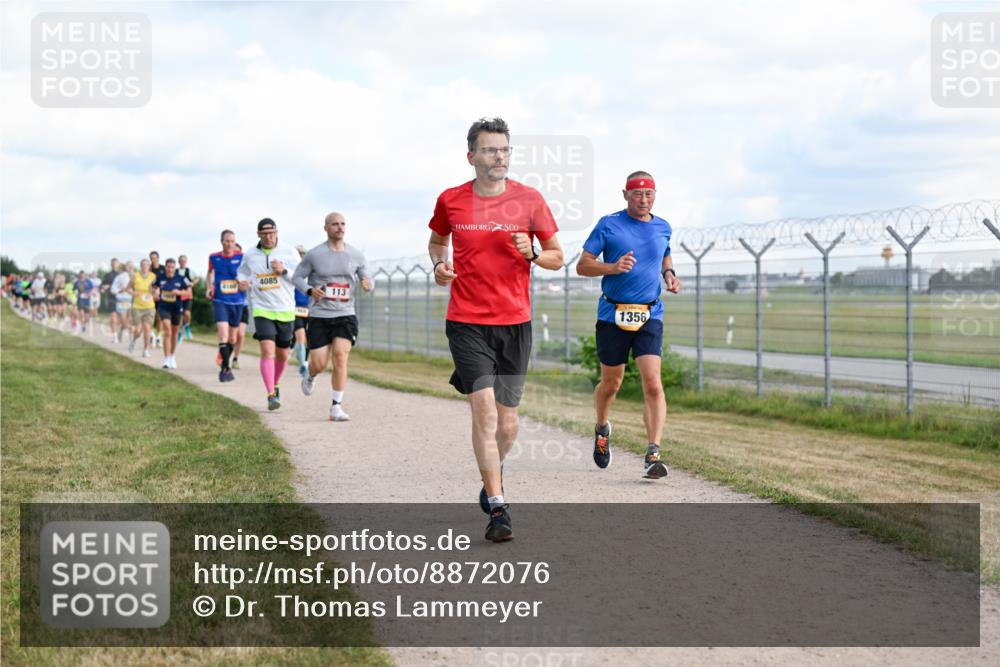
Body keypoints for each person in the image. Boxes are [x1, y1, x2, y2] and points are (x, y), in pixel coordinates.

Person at [427, 117, 563, 542]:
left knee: (507, 424)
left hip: (515, 322)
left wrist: (534, 253)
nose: (498, 156)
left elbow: (559, 256)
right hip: (466, 320)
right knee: (483, 410)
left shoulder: (529, 199)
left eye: (503, 149)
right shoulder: (451, 200)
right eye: (489, 150)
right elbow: (436, 241)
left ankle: (492, 475)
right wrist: (439, 265)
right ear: (472, 156)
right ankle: (499, 508)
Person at [575, 171, 681, 479]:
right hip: (613, 314)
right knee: (612, 385)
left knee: (653, 382)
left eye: (649, 194)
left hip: (650, 314)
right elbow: (583, 265)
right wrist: (612, 267)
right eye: (637, 194)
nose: (643, 199)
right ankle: (602, 428)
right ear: (625, 194)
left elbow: (665, 254)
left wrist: (669, 275)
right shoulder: (609, 224)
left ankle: (653, 452)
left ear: (655, 195)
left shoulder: (663, 226)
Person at [294, 213, 373, 421]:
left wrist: (367, 284)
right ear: (326, 228)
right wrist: (310, 291)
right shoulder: (314, 255)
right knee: (319, 363)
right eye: (335, 224)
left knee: (340, 355)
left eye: (343, 224)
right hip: (320, 315)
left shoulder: (356, 254)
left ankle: (336, 407)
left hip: (345, 314)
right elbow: (297, 277)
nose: (340, 227)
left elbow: (367, 277)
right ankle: (310, 375)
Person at [237, 218, 300, 410]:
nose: (268, 237)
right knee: (267, 350)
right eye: (264, 234)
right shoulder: (250, 254)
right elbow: (241, 273)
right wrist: (242, 282)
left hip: (285, 309)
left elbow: (300, 277)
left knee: (282, 355)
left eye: (271, 233)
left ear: (277, 232)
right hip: (262, 309)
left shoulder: (289, 252)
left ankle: (276, 383)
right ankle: (271, 394)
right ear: (258, 235)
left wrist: (284, 271)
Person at [207, 230, 246, 382]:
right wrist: (209, 287)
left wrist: (246, 283)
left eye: (232, 241)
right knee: (223, 334)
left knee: (232, 338)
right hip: (220, 300)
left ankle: (225, 363)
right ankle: (226, 369)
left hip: (237, 302)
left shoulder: (242, 257)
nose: (230, 244)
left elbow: (250, 276)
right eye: (227, 241)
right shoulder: (213, 257)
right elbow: (209, 273)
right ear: (221, 242)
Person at [154, 258, 190, 369]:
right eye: (168, 267)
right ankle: (166, 358)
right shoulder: (160, 278)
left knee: (174, 333)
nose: (170, 269)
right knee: (167, 331)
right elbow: (153, 287)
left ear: (175, 268)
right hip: (164, 307)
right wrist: (155, 293)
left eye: (172, 267)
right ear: (165, 267)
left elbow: (188, 291)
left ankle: (172, 356)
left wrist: (179, 292)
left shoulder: (181, 278)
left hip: (177, 308)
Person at [129, 259, 157, 358]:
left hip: (149, 306)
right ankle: (133, 340)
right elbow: (128, 288)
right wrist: (132, 293)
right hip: (137, 307)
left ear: (149, 266)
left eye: (146, 265)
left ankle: (145, 350)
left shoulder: (153, 276)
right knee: (138, 330)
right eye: (143, 265)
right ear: (140, 266)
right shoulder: (135, 276)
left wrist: (155, 293)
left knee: (147, 329)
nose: (145, 267)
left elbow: (157, 289)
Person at [292, 245, 311, 380]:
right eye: (299, 254)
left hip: (310, 310)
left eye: (303, 254)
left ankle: (304, 361)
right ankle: (303, 364)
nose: (301, 257)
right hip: (295, 309)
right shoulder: (291, 273)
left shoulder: (312, 273)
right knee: (301, 337)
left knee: (309, 340)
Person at [177, 254, 199, 342]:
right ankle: (180, 334)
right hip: (178, 296)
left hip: (188, 296)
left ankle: (187, 326)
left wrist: (193, 283)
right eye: (181, 260)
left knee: (187, 313)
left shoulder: (189, 271)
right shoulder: (175, 271)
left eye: (184, 261)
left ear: (186, 262)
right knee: (179, 316)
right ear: (179, 262)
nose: (182, 262)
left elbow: (197, 278)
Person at [109, 261, 132, 343]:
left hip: (131, 300)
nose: (130, 268)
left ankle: (131, 340)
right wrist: (120, 290)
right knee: (124, 322)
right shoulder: (118, 278)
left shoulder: (134, 277)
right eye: (129, 266)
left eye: (131, 266)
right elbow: (112, 290)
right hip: (121, 301)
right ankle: (121, 332)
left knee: (130, 320)